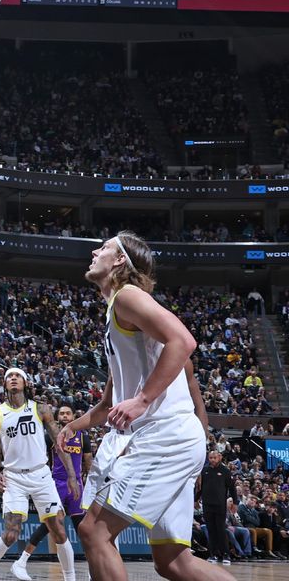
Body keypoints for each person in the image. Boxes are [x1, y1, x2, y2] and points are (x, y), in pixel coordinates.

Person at [57, 232, 234, 581]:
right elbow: (109, 403)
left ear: (120, 260)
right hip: (174, 438)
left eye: (104, 247)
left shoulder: (127, 296)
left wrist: (143, 400)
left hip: (165, 436)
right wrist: (73, 426)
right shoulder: (117, 316)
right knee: (173, 562)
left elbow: (183, 341)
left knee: (94, 530)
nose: (95, 252)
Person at [0, 368, 79, 581]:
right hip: (14, 478)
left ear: (25, 382)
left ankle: (70, 578)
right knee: (11, 534)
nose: (13, 379)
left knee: (59, 530)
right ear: (4, 384)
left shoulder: (41, 409)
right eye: (9, 377)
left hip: (41, 475)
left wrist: (72, 476)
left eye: (17, 376)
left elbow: (59, 445)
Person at [14, 404, 92, 580]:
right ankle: (22, 561)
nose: (65, 416)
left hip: (77, 486)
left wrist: (91, 487)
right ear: (57, 417)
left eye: (68, 413)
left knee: (84, 530)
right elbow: (41, 461)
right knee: (50, 525)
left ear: (73, 416)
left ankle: (92, 569)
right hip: (56, 484)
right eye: (62, 414)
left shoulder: (83, 437)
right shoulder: (50, 438)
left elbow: (89, 464)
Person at [201, 450, 238, 565]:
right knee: (211, 530)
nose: (212, 460)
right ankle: (214, 554)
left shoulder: (225, 471)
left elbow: (232, 488)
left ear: (220, 457)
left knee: (221, 530)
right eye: (210, 457)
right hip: (207, 505)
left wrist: (235, 503)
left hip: (220, 506)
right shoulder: (205, 470)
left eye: (214, 457)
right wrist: (195, 499)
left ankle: (226, 554)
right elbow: (200, 487)